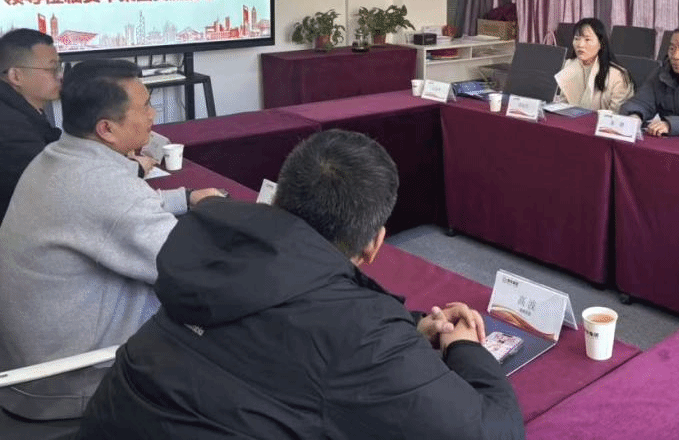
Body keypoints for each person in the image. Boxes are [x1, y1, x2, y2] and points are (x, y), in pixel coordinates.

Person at [78, 130, 525, 440]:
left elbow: (289, 326)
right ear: (374, 245)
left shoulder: (205, 243)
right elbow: (493, 431)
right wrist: (464, 348)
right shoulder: (359, 332)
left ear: (276, 198)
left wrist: (410, 328)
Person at [0, 60, 223, 420]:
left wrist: (186, 197)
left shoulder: (56, 157)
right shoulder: (104, 186)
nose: (153, 115)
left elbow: (108, 214)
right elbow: (193, 268)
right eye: (145, 106)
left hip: (26, 367)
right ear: (106, 128)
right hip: (72, 383)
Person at [0, 28, 63, 221]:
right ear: (16, 76)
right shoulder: (11, 129)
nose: (60, 76)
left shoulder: (19, 109)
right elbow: (59, 187)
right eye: (52, 69)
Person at [554, 17, 633, 111]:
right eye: (577, 39)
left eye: (587, 40)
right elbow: (564, 104)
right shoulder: (569, 65)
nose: (580, 45)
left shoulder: (618, 76)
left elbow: (616, 114)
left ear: (600, 44)